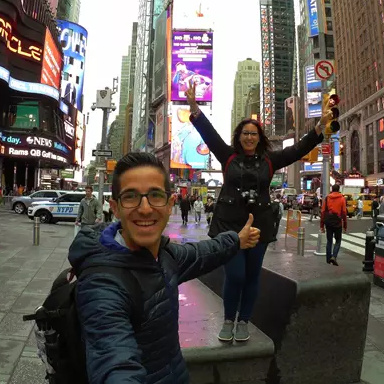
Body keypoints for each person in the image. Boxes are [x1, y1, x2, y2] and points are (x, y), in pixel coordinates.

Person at [69, 152, 261, 383]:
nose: (145, 208)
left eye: (155, 196)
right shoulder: (102, 284)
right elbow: (113, 358)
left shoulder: (164, 254)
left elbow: (201, 253)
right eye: (131, 197)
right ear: (115, 207)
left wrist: (237, 240)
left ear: (170, 204)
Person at [186, 79, 328, 342]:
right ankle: (229, 319)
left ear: (258, 138)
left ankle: (244, 321)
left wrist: (318, 129)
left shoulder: (269, 160)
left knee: (252, 277)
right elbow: (209, 134)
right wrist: (194, 105)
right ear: (239, 138)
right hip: (229, 226)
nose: (249, 137)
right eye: (245, 134)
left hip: (259, 226)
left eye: (253, 134)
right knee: (236, 274)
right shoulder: (227, 155)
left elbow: (297, 150)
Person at [320, 184, 348, 266]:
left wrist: (322, 225)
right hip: (338, 222)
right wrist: (345, 225)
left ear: (332, 189)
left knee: (329, 241)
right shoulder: (342, 198)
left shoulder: (327, 198)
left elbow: (323, 212)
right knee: (338, 240)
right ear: (339, 189)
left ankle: (328, 258)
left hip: (328, 222)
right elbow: (344, 213)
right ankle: (334, 256)